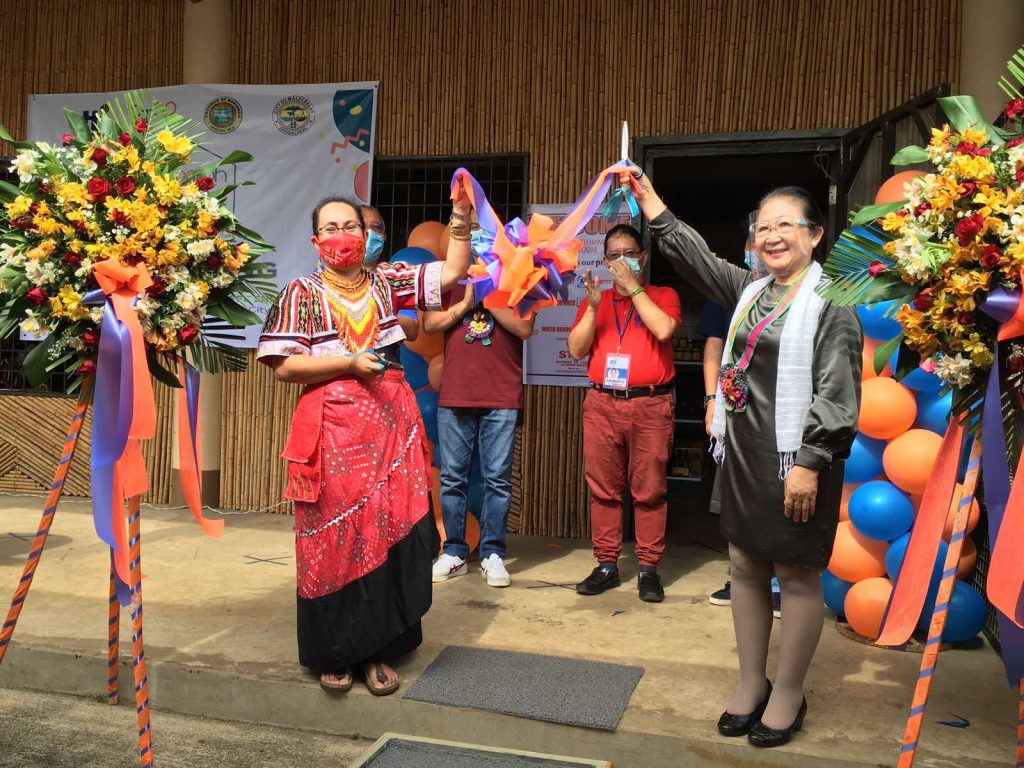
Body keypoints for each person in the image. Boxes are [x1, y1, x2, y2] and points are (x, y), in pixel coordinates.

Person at [631, 170, 861, 747]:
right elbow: (698, 260)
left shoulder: (831, 304)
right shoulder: (751, 291)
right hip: (743, 454)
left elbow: (838, 393)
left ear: (814, 236)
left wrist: (810, 461)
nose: (773, 235)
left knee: (797, 575)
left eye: (787, 224)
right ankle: (751, 682)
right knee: (744, 568)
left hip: (795, 461)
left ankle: (789, 693)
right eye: (763, 227)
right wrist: (650, 200)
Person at [258, 188, 472, 696]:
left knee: (388, 534)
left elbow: (449, 273)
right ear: (315, 240)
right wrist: (348, 363)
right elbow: (284, 365)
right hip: (332, 431)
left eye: (350, 226)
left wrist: (460, 219)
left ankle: (378, 649)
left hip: (389, 432)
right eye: (330, 228)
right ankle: (336, 653)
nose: (342, 236)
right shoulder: (300, 293)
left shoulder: (386, 280)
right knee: (335, 541)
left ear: (367, 234)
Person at [567, 223, 681, 603]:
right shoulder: (594, 300)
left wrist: (633, 288)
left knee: (649, 491)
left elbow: (663, 330)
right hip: (602, 403)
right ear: (603, 261)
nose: (621, 261)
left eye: (628, 253)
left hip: (650, 404)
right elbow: (577, 350)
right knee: (603, 489)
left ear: (642, 257)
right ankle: (606, 565)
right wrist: (593, 309)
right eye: (613, 255)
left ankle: (648, 569)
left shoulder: (662, 294)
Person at [423, 280, 535, 587]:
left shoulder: (519, 281)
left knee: (497, 479)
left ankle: (492, 553)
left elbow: (524, 328)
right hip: (456, 393)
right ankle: (455, 552)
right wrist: (464, 302)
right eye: (470, 234)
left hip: (501, 396)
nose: (477, 242)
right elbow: (430, 325)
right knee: (451, 478)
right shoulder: (446, 280)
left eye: (484, 234)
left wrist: (490, 296)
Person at [704, 239, 781, 618]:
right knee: (739, 498)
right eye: (752, 240)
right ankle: (743, 576)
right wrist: (710, 399)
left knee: (780, 497)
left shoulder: (810, 293)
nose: (761, 246)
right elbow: (714, 347)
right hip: (736, 411)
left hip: (781, 416)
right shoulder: (734, 289)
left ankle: (780, 584)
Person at [360, 204, 419, 342]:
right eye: (362, 226)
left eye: (376, 228)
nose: (369, 233)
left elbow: (412, 330)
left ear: (384, 237)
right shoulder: (324, 277)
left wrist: (373, 313)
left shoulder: (396, 277)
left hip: (381, 361)